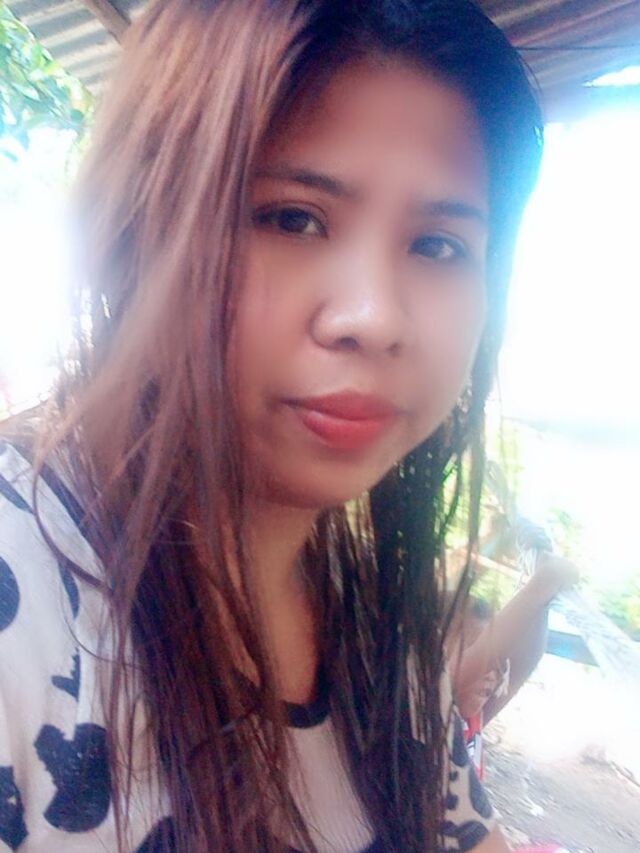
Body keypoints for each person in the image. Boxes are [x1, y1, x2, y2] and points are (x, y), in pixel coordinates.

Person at [0, 1, 543, 850]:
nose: (374, 317)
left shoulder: (387, 641)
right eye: (293, 217)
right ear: (138, 227)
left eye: (438, 246)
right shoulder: (22, 609)